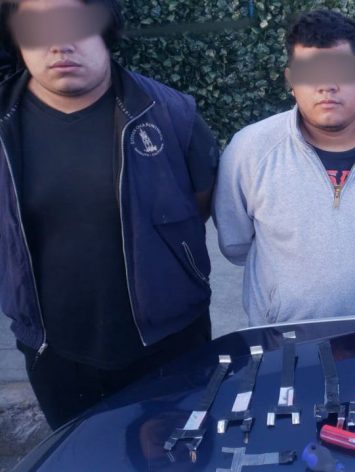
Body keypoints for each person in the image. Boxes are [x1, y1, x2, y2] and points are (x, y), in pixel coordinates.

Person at [0, 0, 219, 428]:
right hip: (55, 355)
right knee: (80, 452)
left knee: (179, 451)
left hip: (172, 344)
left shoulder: (173, 115)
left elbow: (200, 205)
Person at [214, 10, 355, 326]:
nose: (327, 86)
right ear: (291, 80)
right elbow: (236, 242)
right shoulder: (249, 151)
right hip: (279, 339)